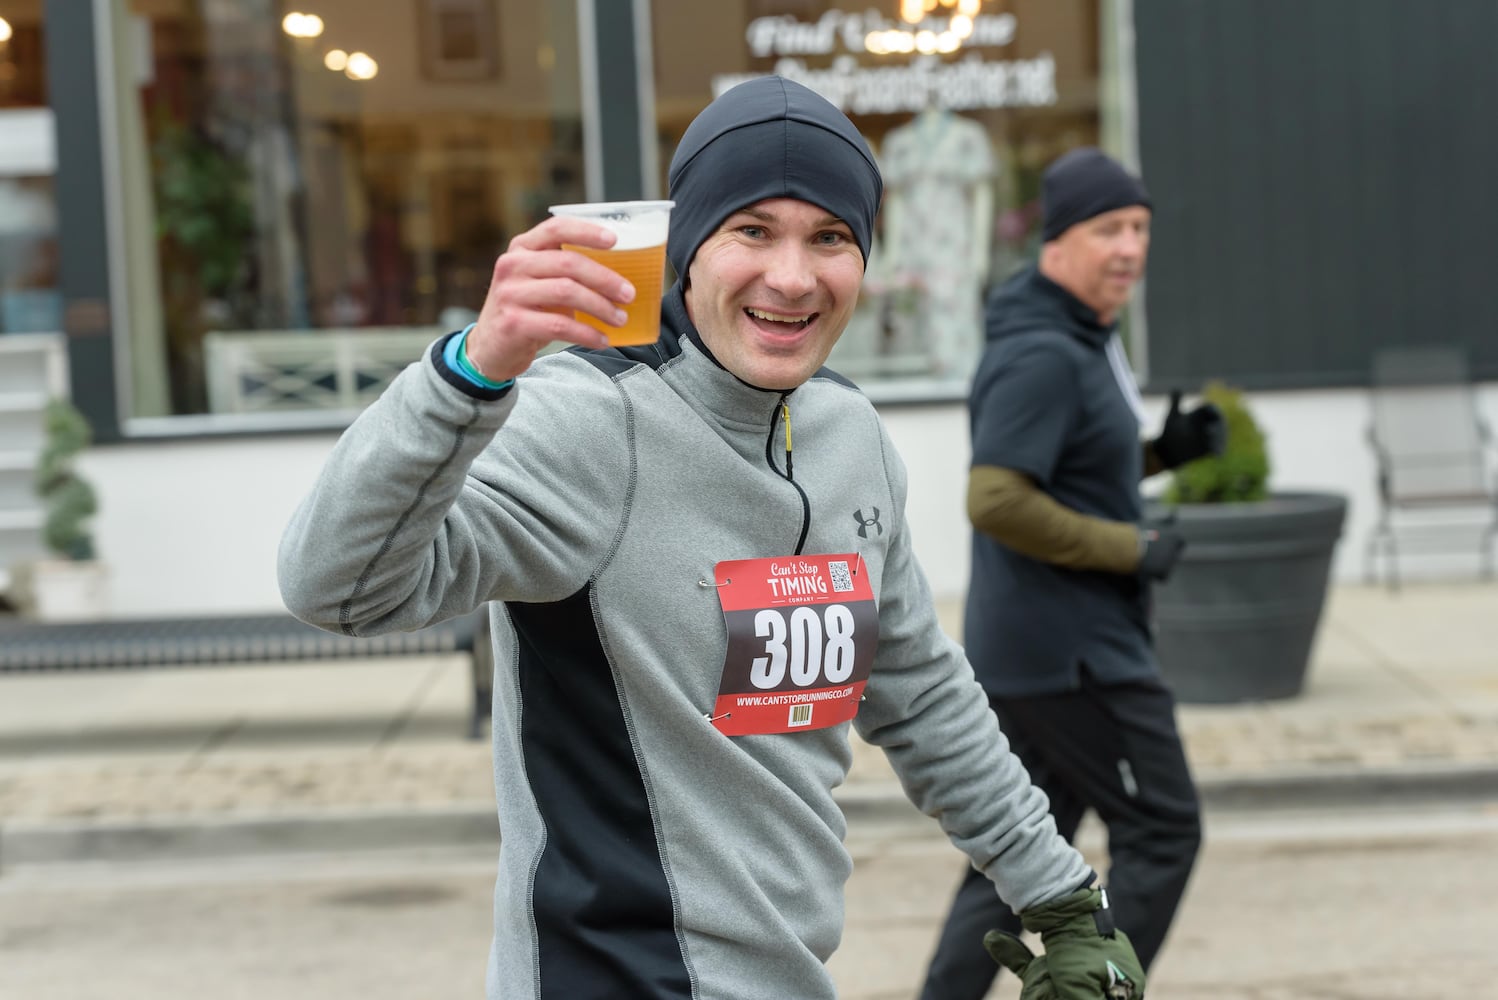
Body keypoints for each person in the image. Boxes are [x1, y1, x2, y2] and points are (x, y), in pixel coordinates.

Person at [279, 80, 1142, 1000]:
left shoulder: (851, 436)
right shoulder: (592, 422)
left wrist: (1057, 898)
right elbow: (338, 587)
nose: (794, 277)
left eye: (831, 237)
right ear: (688, 245)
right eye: (753, 231)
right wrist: (467, 373)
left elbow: (921, 692)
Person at [918, 147, 1224, 1000]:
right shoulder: (1045, 352)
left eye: (1139, 229)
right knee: (1164, 829)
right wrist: (1133, 548)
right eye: (1108, 230)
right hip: (1074, 653)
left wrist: (1164, 452)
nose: (1128, 248)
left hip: (1039, 647)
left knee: (1013, 855)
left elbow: (1073, 463)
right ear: (1058, 241)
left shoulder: (1081, 334)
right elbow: (998, 498)